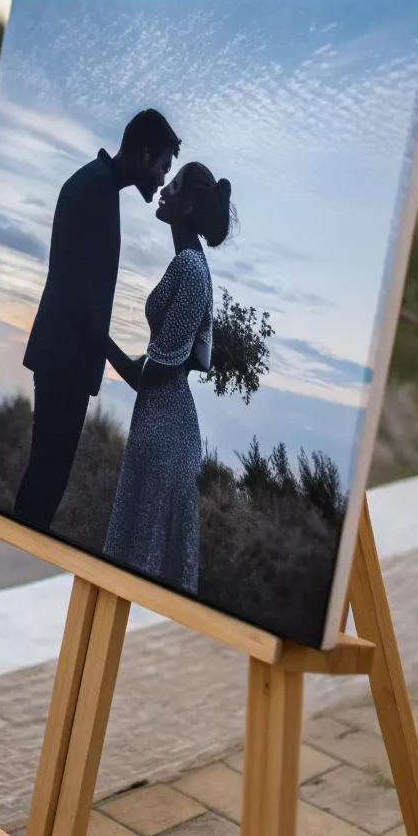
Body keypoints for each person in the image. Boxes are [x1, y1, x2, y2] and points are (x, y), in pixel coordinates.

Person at [13, 109, 181, 531]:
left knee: (44, 475)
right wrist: (123, 364)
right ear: (144, 154)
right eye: (162, 166)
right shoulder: (97, 192)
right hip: (64, 361)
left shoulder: (94, 183)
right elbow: (78, 296)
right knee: (46, 481)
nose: (161, 178)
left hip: (61, 357)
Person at [104, 163, 234, 594]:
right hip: (156, 424)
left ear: (189, 205)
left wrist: (95, 337)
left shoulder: (192, 272)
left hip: (167, 434)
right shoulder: (185, 264)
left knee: (145, 568)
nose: (164, 190)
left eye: (173, 187)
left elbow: (153, 372)